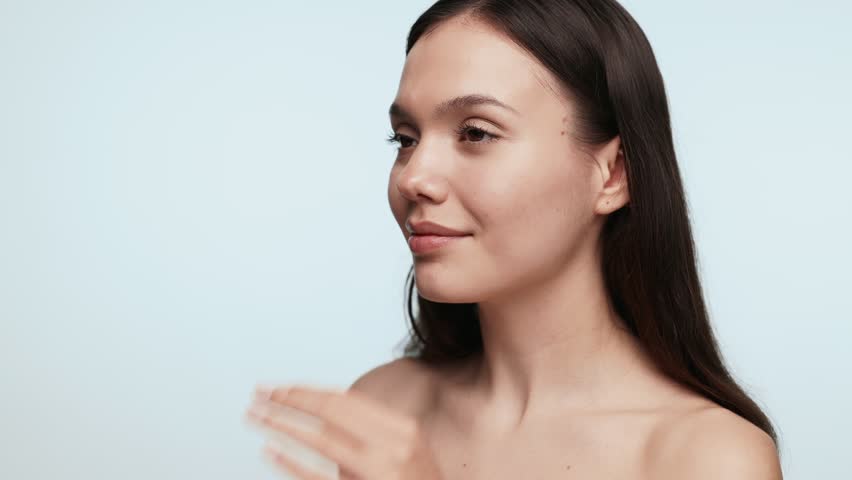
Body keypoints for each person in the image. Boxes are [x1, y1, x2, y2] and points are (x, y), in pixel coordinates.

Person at [247, 1, 783, 478]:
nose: (413, 177)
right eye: (405, 139)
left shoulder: (708, 459)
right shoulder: (382, 408)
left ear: (614, 174)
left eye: (475, 132)